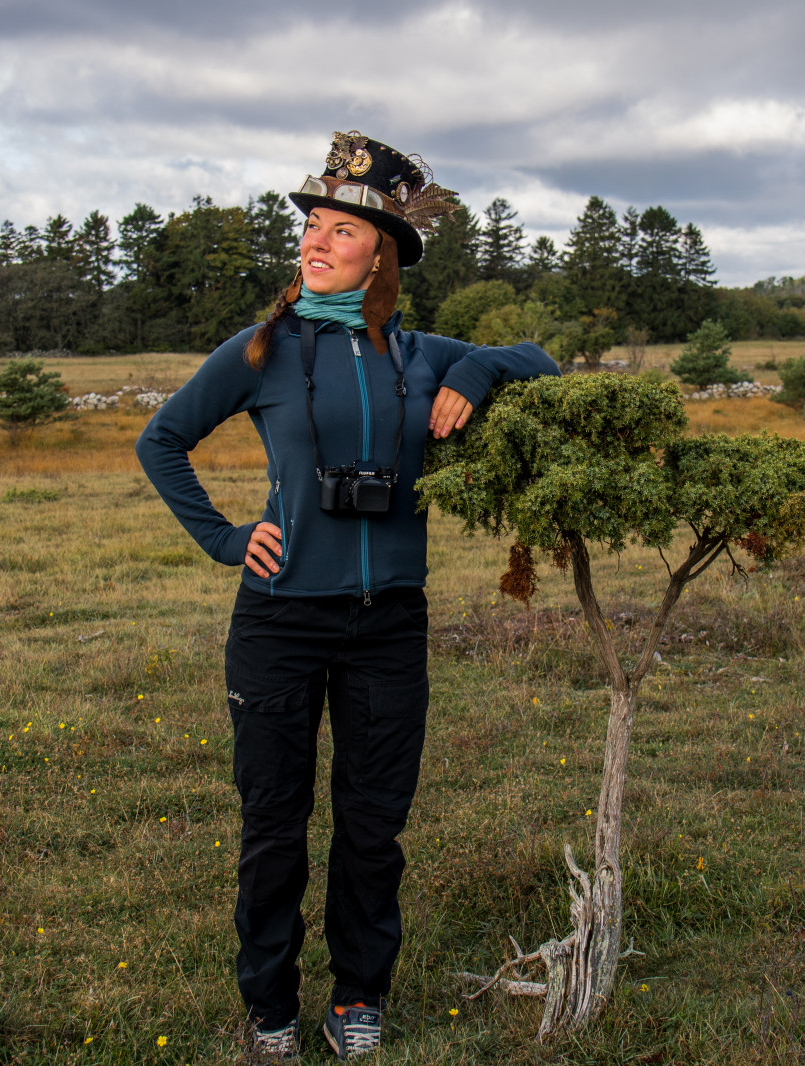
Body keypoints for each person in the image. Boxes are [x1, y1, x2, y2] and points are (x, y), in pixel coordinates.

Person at [135, 132, 559, 1059]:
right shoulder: (262, 350)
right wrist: (226, 538)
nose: (316, 242)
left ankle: (358, 993)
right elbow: (160, 440)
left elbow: (540, 361)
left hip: (389, 623)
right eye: (312, 226)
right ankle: (271, 1005)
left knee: (373, 826)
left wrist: (478, 370)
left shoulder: (419, 353)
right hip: (281, 619)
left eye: (342, 230)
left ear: (383, 256)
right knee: (273, 824)